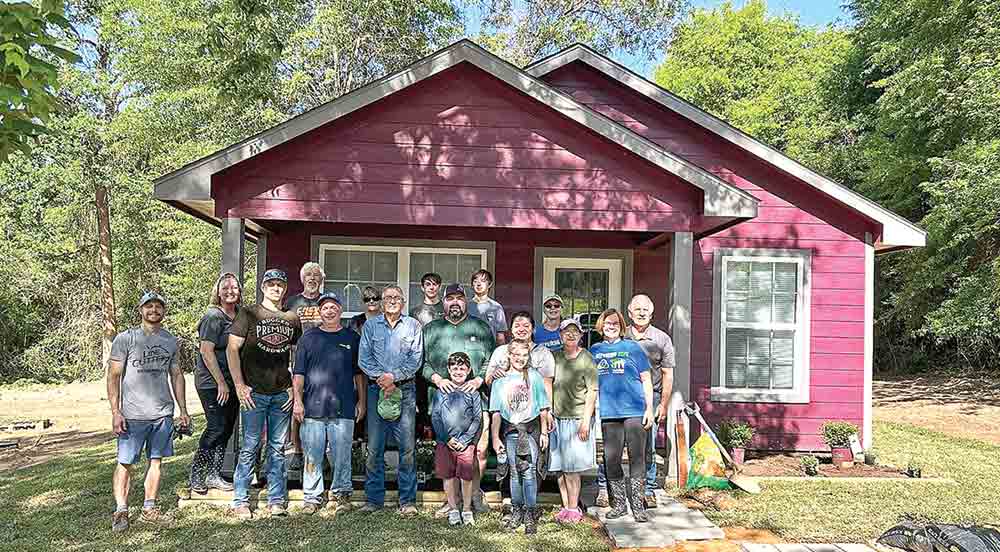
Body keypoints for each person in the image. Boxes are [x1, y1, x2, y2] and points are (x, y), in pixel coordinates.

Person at [107, 291, 190, 533]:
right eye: (149, 306)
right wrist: (115, 411)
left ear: (164, 311)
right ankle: (121, 510)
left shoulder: (170, 340)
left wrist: (182, 409)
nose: (154, 310)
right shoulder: (126, 339)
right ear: (140, 310)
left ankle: (149, 508)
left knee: (156, 461)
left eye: (158, 306)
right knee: (125, 462)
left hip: (162, 413)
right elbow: (113, 376)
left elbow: (176, 374)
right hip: (132, 415)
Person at [227, 268, 302, 520]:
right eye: (270, 284)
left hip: (281, 394)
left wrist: (292, 383)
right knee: (250, 446)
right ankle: (240, 500)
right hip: (253, 393)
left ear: (285, 288)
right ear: (263, 287)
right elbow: (232, 350)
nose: (275, 288)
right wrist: (239, 384)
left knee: (278, 448)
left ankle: (276, 500)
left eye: (279, 284)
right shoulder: (248, 313)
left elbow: (294, 354)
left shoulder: (291, 318)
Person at [422, 283, 496, 515]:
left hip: (476, 401)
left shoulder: (481, 327)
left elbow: (490, 361)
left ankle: (474, 494)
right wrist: (436, 379)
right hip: (444, 406)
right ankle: (451, 500)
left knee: (479, 450)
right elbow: (421, 363)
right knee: (451, 452)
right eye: (450, 298)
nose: (455, 302)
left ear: (466, 301)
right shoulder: (431, 329)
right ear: (443, 302)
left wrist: (479, 379)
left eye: (459, 298)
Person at [292, 291, 365, 515]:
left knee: (342, 454)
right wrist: (297, 401)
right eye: (325, 307)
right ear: (319, 312)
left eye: (334, 306)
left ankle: (341, 494)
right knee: (312, 454)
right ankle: (312, 497)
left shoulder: (352, 338)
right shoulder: (308, 338)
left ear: (340, 311)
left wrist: (361, 401)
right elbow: (299, 373)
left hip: (343, 406)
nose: (330, 310)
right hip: (312, 406)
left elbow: (359, 374)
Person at [358, 285, 423, 515]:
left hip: (405, 391)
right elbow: (363, 359)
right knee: (375, 447)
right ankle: (373, 499)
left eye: (396, 298)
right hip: (377, 390)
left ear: (403, 302)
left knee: (406, 448)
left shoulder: (413, 326)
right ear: (382, 302)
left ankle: (407, 501)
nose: (392, 301)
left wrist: (393, 378)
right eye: (387, 298)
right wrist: (382, 379)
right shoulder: (370, 325)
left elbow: (416, 360)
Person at [590, 308, 654, 523]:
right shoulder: (595, 350)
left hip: (635, 411)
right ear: (601, 326)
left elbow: (646, 379)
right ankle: (618, 504)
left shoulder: (632, 348)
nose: (611, 326)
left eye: (615, 323)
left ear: (621, 326)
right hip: (609, 413)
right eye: (607, 323)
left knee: (637, 458)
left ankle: (638, 506)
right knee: (611, 459)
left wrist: (650, 409)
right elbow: (590, 384)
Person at [490, 340, 550, 535]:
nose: (520, 359)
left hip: (530, 429)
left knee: (529, 471)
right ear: (509, 356)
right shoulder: (500, 380)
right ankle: (517, 510)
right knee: (514, 472)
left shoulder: (534, 376)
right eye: (516, 356)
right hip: (511, 431)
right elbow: (496, 413)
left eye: (524, 356)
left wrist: (543, 432)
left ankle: (530, 513)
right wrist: (495, 438)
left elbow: (542, 407)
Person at [189, 273, 240, 495]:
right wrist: (221, 382)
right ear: (218, 292)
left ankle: (214, 474)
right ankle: (197, 473)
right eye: (226, 288)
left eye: (235, 287)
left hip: (232, 381)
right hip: (212, 383)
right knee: (216, 426)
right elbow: (206, 351)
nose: (230, 291)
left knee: (226, 429)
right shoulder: (213, 317)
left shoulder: (238, 316)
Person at [625, 294, 675, 508]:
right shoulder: (621, 335)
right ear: (629, 313)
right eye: (637, 309)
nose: (642, 313)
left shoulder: (661, 338)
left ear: (652, 313)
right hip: (623, 397)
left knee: (649, 445)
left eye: (646, 309)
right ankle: (610, 487)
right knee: (620, 445)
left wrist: (663, 404)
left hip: (651, 398)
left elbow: (668, 374)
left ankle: (648, 489)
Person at [549, 319, 598, 524]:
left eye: (575, 332)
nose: (570, 335)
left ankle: (573, 508)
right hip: (557, 419)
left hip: (577, 418)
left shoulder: (586, 358)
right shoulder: (555, 357)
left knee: (572, 468)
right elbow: (547, 384)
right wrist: (548, 414)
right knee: (559, 467)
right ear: (560, 335)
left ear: (580, 335)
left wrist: (586, 421)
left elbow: (592, 391)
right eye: (566, 332)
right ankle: (565, 507)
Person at [430, 352, 483, 527]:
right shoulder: (441, 391)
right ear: (448, 369)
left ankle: (466, 509)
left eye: (462, 368)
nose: (458, 371)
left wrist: (466, 439)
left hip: (465, 443)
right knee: (448, 475)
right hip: (446, 442)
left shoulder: (472, 393)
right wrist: (446, 438)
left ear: (468, 371)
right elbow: (436, 417)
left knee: (466, 476)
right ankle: (453, 509)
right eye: (454, 368)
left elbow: (477, 418)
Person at [285, 262, 326, 473]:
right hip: (298, 362)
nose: (312, 278)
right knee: (297, 408)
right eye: (308, 275)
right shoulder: (292, 302)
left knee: (322, 407)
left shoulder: (326, 302)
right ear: (302, 279)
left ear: (321, 280)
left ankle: (322, 454)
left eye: (316, 275)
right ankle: (298, 452)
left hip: (323, 364)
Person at [485, 311, 556, 435]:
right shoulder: (500, 351)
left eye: (526, 326)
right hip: (506, 418)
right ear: (511, 329)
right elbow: (488, 380)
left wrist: (549, 411)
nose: (521, 329)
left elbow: (547, 385)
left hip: (533, 418)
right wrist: (494, 375)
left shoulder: (543, 353)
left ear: (533, 329)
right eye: (517, 325)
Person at [468, 269, 507, 345]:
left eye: (483, 281)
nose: (478, 284)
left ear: (489, 284)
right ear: (472, 285)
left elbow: (500, 337)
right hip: (469, 350)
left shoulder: (496, 307)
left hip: (489, 350)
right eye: (475, 281)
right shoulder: (466, 306)